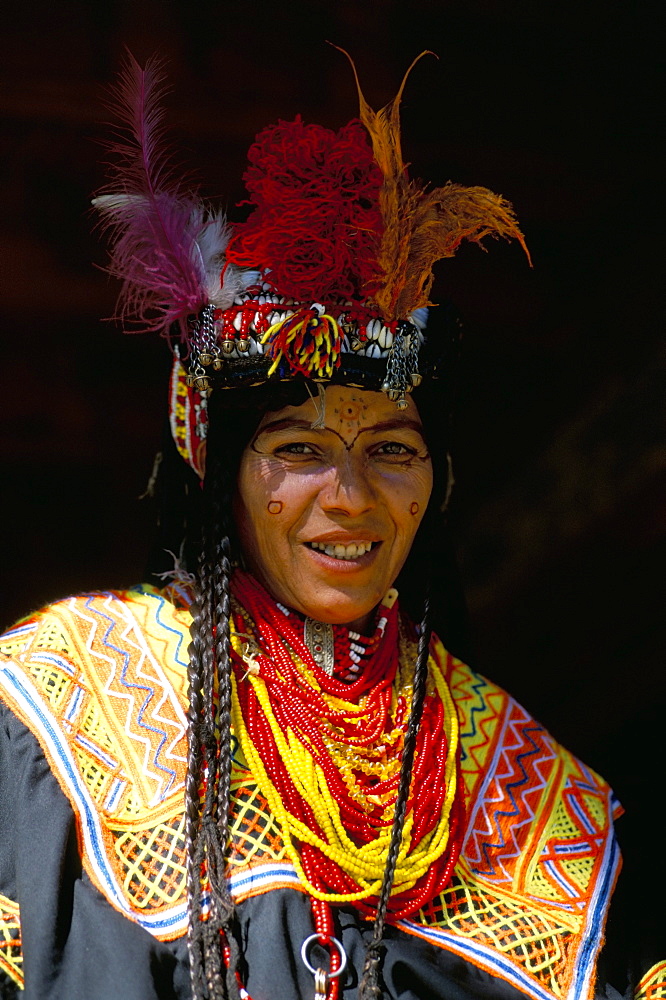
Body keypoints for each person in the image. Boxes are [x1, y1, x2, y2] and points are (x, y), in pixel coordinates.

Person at [0, 52, 662, 1000]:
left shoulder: (537, 791)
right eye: (299, 449)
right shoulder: (61, 700)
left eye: (393, 449)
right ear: (219, 471)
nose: (349, 496)